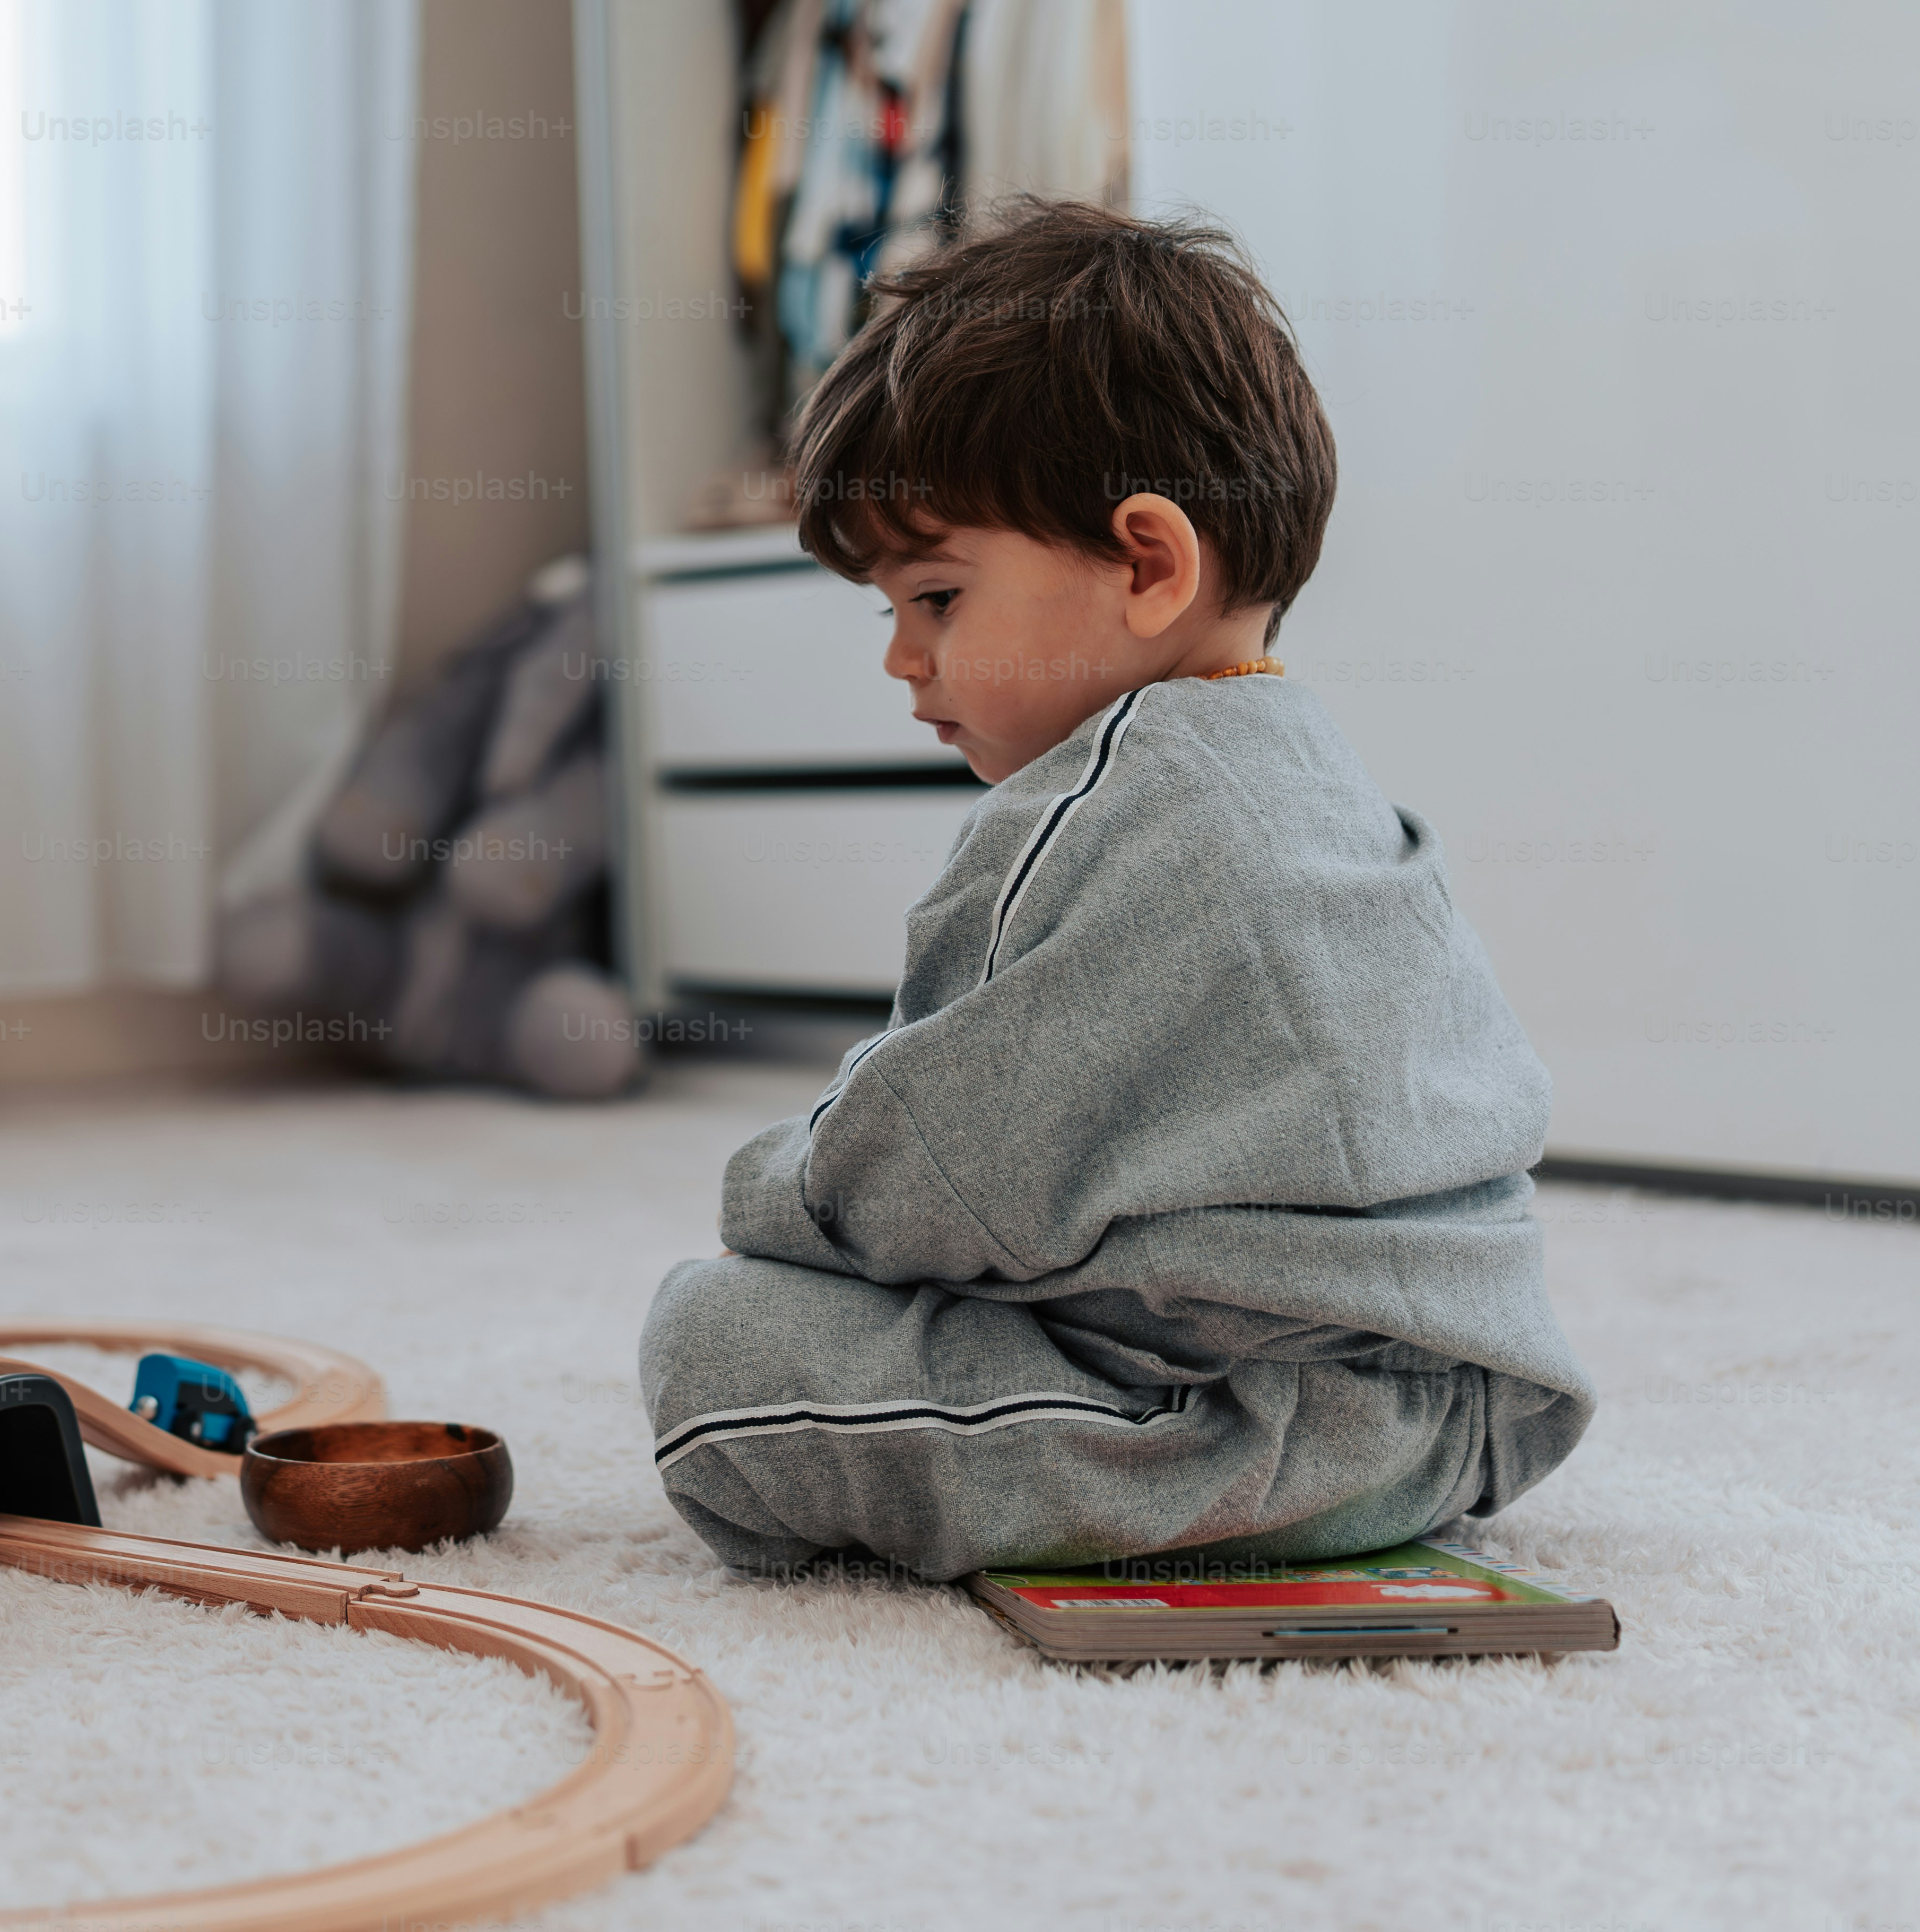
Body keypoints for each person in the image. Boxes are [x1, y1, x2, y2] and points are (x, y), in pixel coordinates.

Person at [639, 201, 1593, 1582]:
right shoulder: (1323, 779)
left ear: (1149, 564)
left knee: (715, 1346)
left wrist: (773, 1202)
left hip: (1257, 1423)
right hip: (1475, 1399)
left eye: (939, 597)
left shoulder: (1091, 806)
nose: (902, 658)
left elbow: (928, 1165)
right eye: (892, 612)